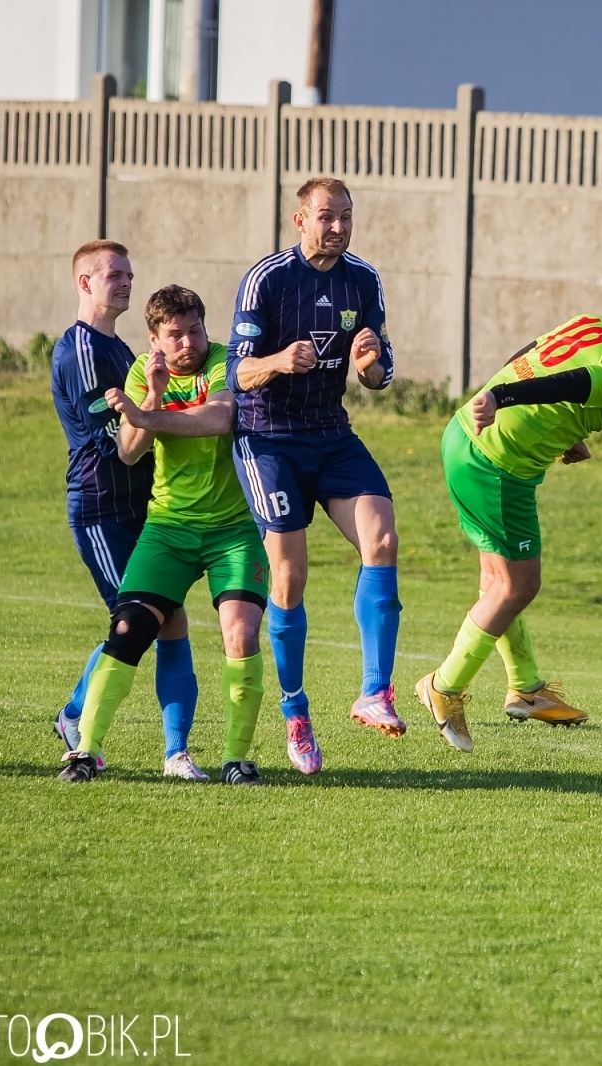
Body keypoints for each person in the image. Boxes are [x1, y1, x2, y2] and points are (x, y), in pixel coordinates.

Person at [412, 315, 602, 750]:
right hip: (497, 464)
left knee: (498, 582)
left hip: (465, 436)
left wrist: (548, 422)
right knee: (518, 586)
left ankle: (526, 689)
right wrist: (499, 398)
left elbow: (532, 356)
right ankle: (444, 686)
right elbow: (569, 384)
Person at [226, 177, 403, 776]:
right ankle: (295, 711)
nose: (339, 227)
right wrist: (279, 361)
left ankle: (375, 692)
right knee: (289, 576)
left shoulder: (363, 280)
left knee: (383, 539)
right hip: (268, 437)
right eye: (327, 216)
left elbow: (380, 373)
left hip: (331, 432)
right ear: (300, 220)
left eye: (346, 216)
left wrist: (370, 364)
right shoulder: (267, 279)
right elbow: (235, 373)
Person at [58, 286, 269, 785]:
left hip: (233, 530)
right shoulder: (141, 372)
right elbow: (129, 451)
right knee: (128, 629)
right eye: (175, 335)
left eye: (195, 330)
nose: (189, 342)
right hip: (168, 528)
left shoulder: (224, 361)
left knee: (240, 633)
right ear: (154, 339)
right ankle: (85, 752)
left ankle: (236, 760)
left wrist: (146, 415)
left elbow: (220, 416)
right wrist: (150, 396)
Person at [49, 240, 200, 778]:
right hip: (102, 508)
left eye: (129, 274)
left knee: (165, 617)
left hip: (140, 507)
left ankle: (176, 751)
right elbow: (118, 440)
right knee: (139, 621)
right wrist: (158, 411)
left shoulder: (119, 349)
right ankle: (76, 717)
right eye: (114, 274)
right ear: (84, 283)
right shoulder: (81, 350)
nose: (126, 282)